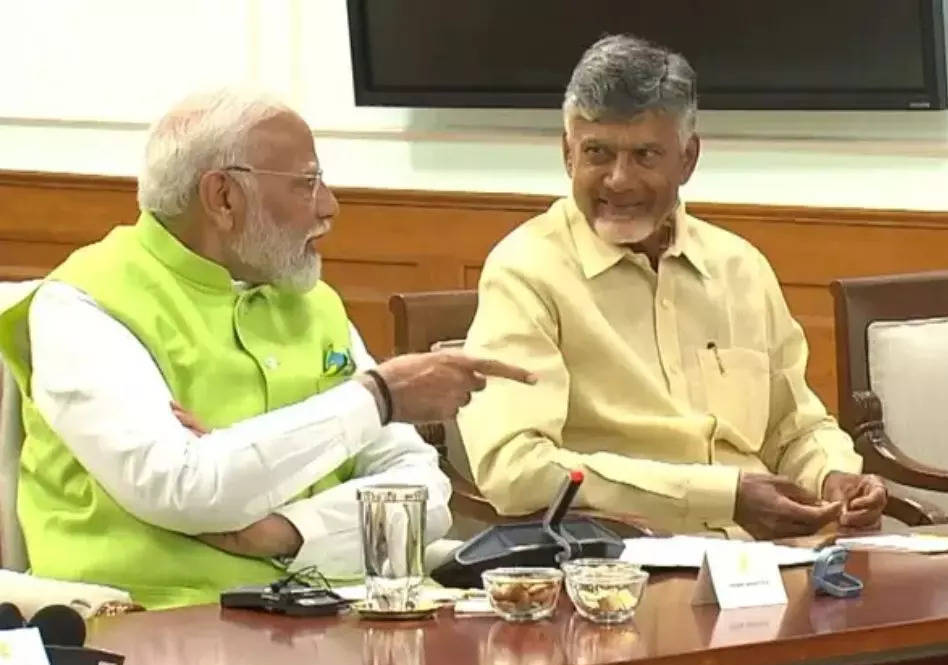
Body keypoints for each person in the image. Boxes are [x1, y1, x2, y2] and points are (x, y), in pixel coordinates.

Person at [0, 89, 534, 608]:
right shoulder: (85, 304)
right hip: (159, 638)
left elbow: (423, 491)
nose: (329, 206)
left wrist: (288, 531)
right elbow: (185, 489)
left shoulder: (309, 299)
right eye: (306, 184)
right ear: (224, 198)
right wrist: (374, 398)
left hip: (330, 617)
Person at [457, 35, 886, 539]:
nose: (618, 180)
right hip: (623, 570)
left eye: (644, 155)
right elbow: (515, 470)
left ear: (687, 159)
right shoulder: (525, 271)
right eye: (597, 153)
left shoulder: (739, 266)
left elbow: (793, 428)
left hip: (773, 560)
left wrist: (834, 476)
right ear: (568, 154)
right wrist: (721, 496)